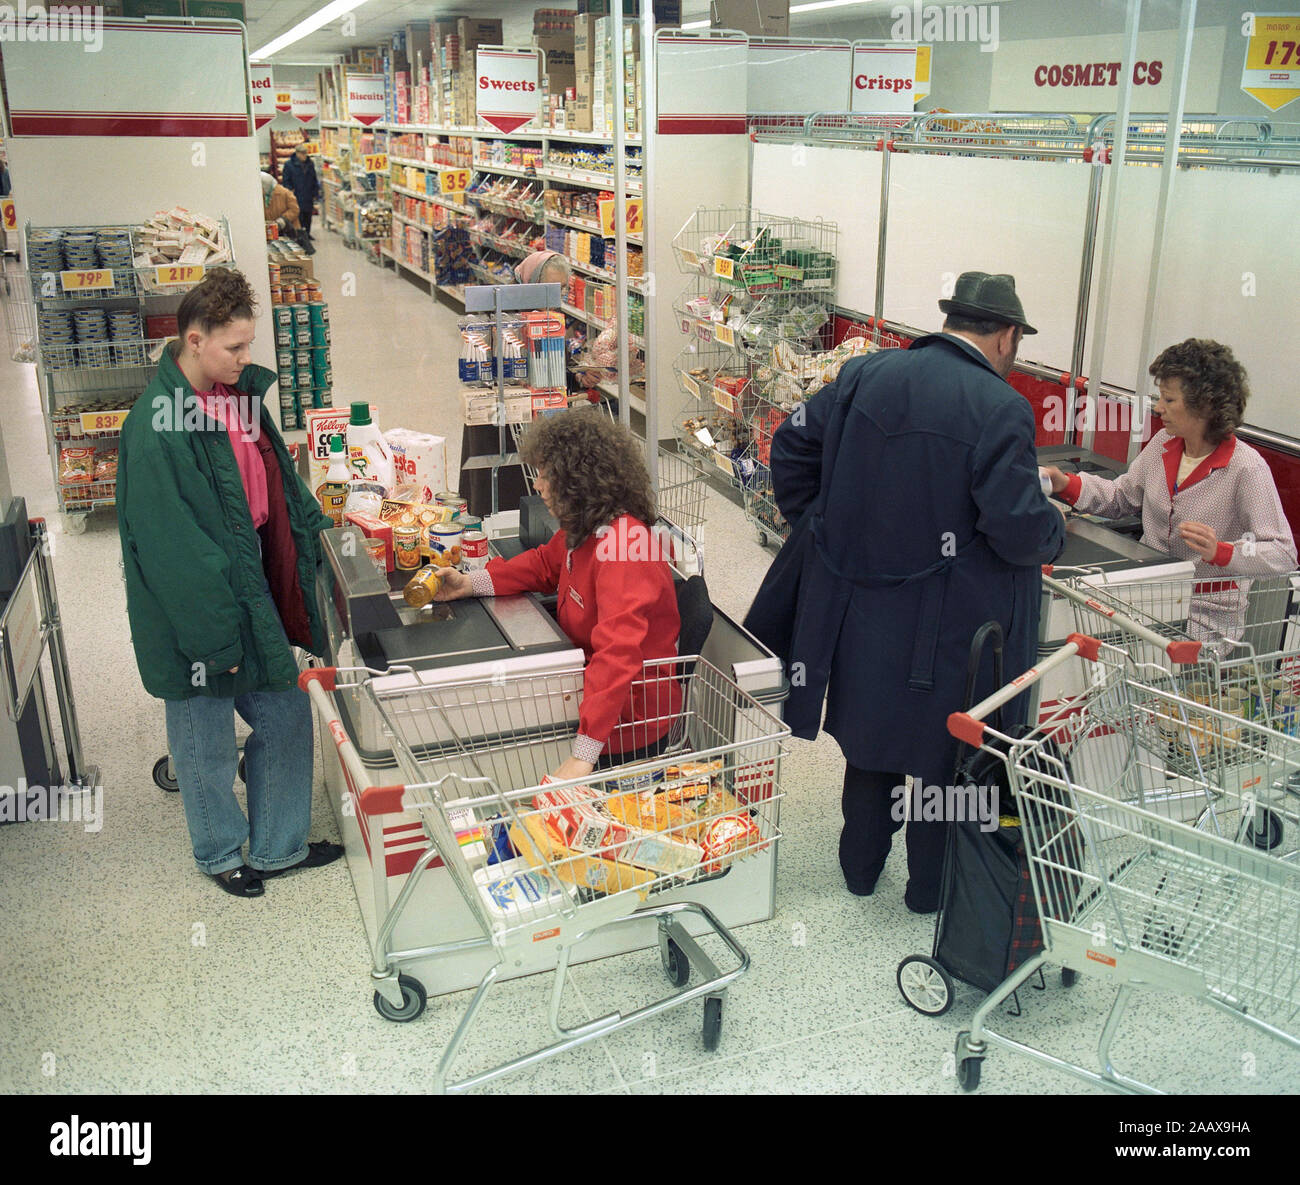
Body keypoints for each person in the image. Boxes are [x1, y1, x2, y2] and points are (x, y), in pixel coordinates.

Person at [745, 271, 1066, 912]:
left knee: (870, 738)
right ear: (1006, 336)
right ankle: (927, 892)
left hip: (858, 607)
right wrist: (1052, 524)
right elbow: (1017, 530)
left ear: (949, 321)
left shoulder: (868, 375)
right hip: (953, 627)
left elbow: (790, 444)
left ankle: (860, 870)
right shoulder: (1001, 408)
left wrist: (823, 528)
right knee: (943, 753)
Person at [117, 269, 341, 897]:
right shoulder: (157, 426)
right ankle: (218, 850)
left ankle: (278, 846)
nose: (247, 359)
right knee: (204, 733)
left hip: (249, 590)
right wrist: (214, 643)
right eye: (234, 348)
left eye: (250, 346)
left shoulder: (235, 396)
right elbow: (171, 554)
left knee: (289, 712)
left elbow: (275, 483)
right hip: (194, 611)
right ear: (193, 340)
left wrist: (317, 532)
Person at [436, 409, 681, 781]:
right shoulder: (585, 527)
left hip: (627, 726)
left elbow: (617, 655)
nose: (538, 487)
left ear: (577, 480)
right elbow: (544, 566)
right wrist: (471, 583)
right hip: (592, 706)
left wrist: (584, 754)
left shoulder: (624, 547)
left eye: (546, 476)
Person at [1042, 339, 1296, 651]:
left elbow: (1283, 554)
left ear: (1204, 405)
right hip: (1145, 603)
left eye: (1169, 399)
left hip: (1204, 622)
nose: (1159, 407)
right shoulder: (1164, 442)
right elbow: (1120, 498)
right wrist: (1063, 483)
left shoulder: (1246, 469)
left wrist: (1223, 552)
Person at [457, 250, 574, 518]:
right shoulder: (500, 319)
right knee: (499, 490)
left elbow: (555, 371)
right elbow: (482, 371)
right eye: (551, 288)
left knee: (530, 490)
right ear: (530, 283)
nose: (559, 295)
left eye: (564, 288)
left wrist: (578, 377)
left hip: (535, 421)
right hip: (500, 424)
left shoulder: (552, 319)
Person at [281, 144, 321, 242]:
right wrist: (290, 191)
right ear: (297, 154)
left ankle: (307, 233)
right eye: (302, 154)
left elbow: (314, 178)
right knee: (299, 216)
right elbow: (286, 180)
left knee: (308, 215)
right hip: (296, 195)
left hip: (308, 194)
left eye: (305, 153)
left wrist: (315, 192)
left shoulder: (310, 164)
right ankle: (299, 234)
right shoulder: (289, 165)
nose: (305, 156)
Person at [261, 170, 300, 238]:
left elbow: (295, 210)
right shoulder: (263, 196)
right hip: (271, 232)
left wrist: (282, 220)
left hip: (288, 232)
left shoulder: (284, 193)